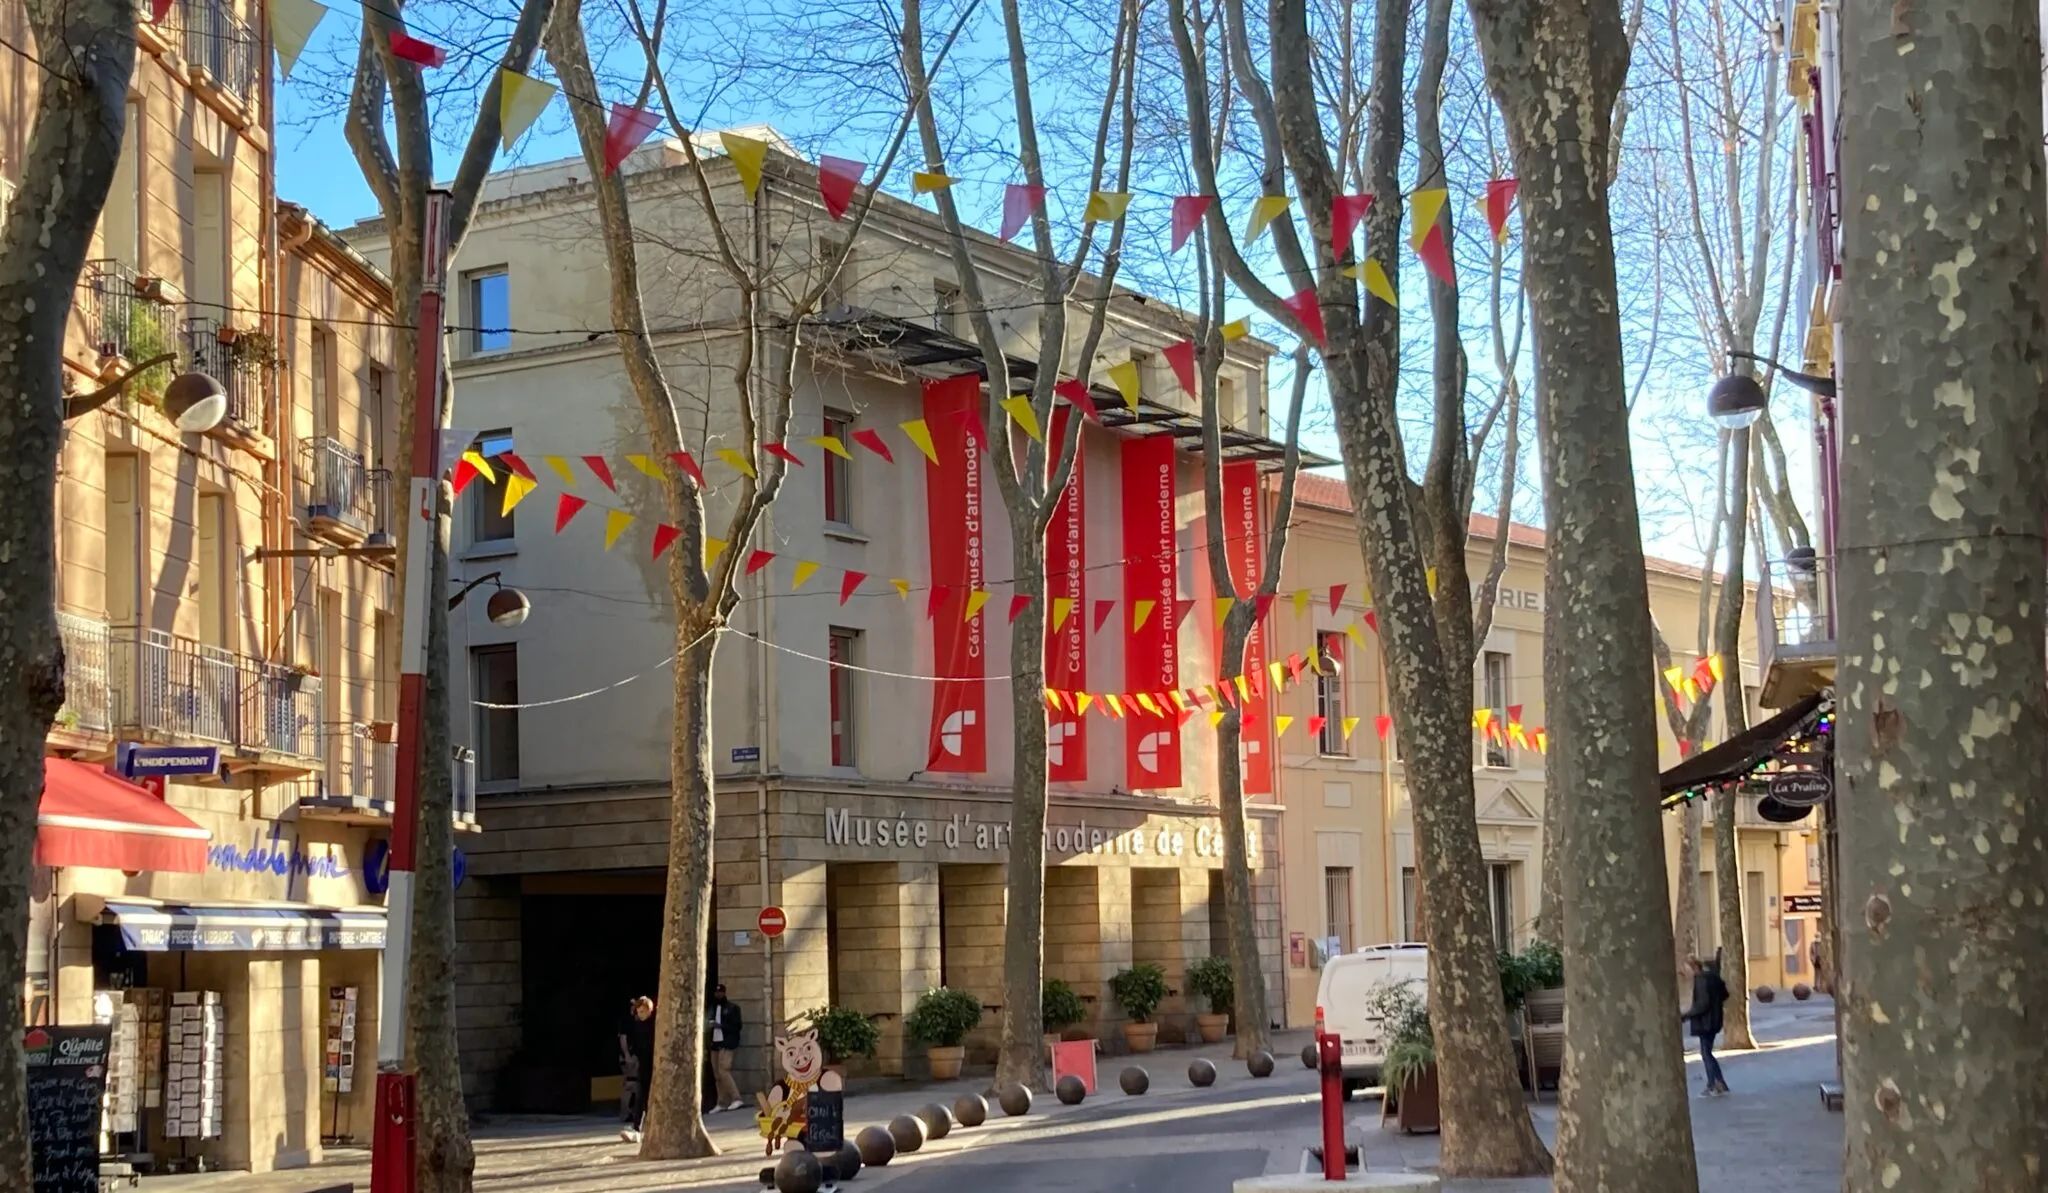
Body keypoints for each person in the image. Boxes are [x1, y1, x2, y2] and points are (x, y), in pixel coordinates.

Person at [1680, 956, 1731, 1096]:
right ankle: (1720, 1082)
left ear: (1694, 968)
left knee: (1706, 1053)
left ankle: (1713, 1084)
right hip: (1714, 1020)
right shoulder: (1713, 977)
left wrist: (1686, 1015)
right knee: (1707, 1052)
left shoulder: (1701, 980)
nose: (1684, 973)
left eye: (1686, 969)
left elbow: (1702, 1004)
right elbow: (1725, 995)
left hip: (1705, 1022)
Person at [618, 996, 656, 1141]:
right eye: (639, 1012)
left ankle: (647, 1127)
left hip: (654, 1064)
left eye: (643, 1012)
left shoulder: (654, 1024)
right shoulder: (636, 1025)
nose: (641, 1015)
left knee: (649, 1098)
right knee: (640, 1096)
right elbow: (632, 1042)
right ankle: (637, 1128)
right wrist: (632, 1055)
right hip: (643, 1065)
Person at [707, 983, 745, 1112]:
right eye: (716, 992)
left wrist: (720, 1026)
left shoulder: (732, 1008)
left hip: (727, 1043)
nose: (718, 994)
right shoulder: (712, 1008)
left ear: (724, 993)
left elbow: (737, 1026)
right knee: (717, 1074)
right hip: (715, 1044)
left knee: (724, 1070)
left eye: (721, 992)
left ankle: (736, 1098)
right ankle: (722, 1102)